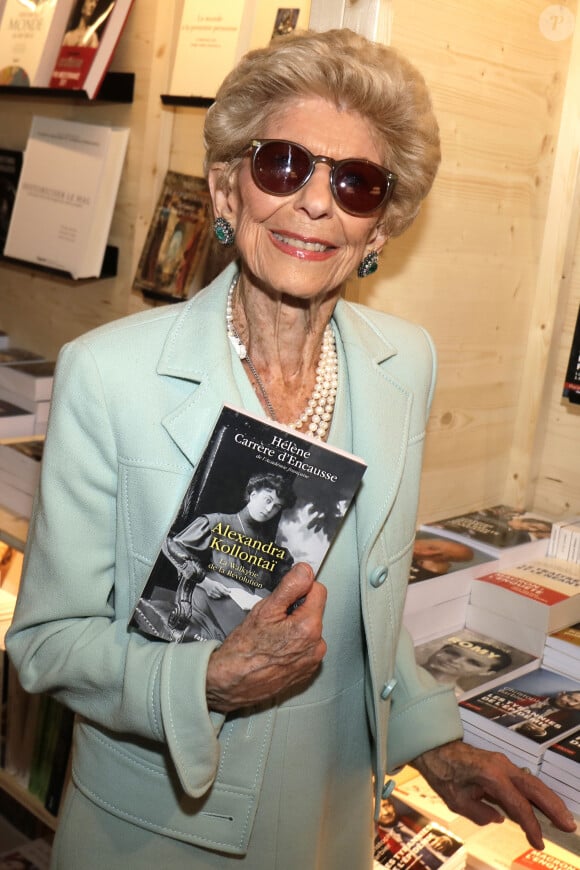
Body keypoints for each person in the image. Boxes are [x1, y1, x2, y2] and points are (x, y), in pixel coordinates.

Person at [5, 28, 576, 870]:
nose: (316, 204)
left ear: (381, 225)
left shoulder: (403, 362)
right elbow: (48, 642)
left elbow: (369, 614)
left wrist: (432, 741)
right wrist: (203, 680)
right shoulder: (110, 375)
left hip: (329, 819)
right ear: (227, 190)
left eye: (356, 182)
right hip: (158, 824)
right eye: (283, 165)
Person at [132, 472, 296, 642]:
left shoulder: (268, 546)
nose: (270, 509)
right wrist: (205, 582)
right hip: (210, 597)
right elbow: (171, 546)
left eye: (277, 506)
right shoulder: (218, 522)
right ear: (253, 495)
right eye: (268, 500)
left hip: (244, 607)